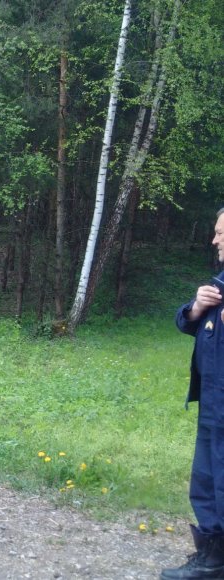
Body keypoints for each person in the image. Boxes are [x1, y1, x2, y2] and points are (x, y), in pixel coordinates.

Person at [164, 207, 224, 580]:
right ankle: (213, 558)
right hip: (213, 403)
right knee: (206, 480)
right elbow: (187, 322)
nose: (214, 240)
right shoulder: (219, 284)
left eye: (221, 233)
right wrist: (195, 308)